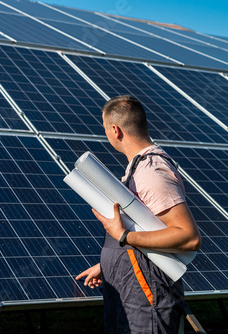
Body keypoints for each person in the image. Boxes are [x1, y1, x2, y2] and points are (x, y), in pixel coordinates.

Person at [76, 95, 201, 333]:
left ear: (115, 130)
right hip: (131, 294)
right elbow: (148, 228)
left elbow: (189, 237)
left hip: (146, 299)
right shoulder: (137, 169)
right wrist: (106, 265)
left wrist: (124, 237)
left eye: (105, 129)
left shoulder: (151, 171)